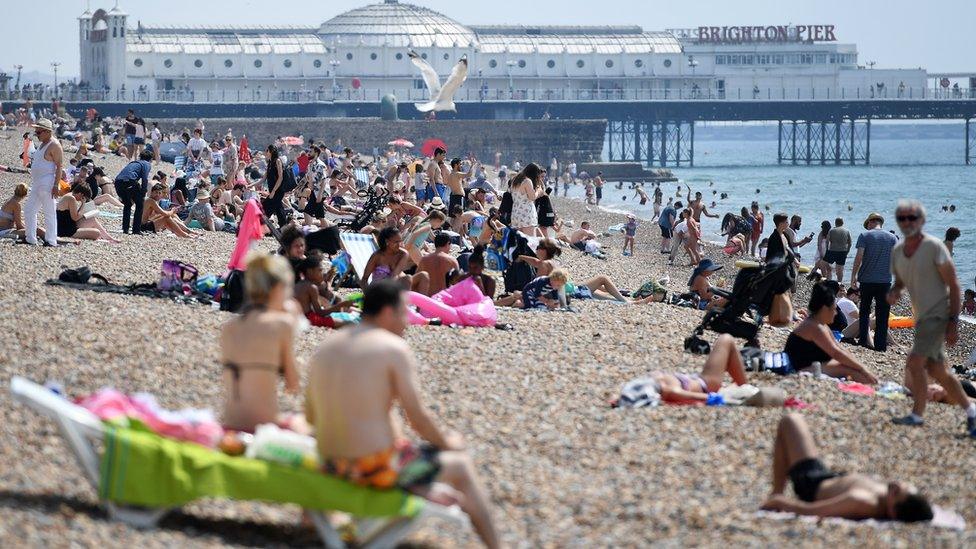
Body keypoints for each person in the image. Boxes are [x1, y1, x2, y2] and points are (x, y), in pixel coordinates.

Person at [304, 281, 503, 548]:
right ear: (387, 313)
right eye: (403, 313)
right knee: (460, 466)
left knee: (402, 443)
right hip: (369, 468)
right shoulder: (391, 348)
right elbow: (418, 419)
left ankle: (418, 487)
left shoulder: (327, 348)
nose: (407, 321)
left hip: (330, 463)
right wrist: (447, 443)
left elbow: (310, 416)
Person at [886, 200, 975, 435]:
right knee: (938, 371)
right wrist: (895, 291)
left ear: (921, 221)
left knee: (914, 362)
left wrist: (954, 322)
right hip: (922, 316)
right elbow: (903, 278)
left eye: (912, 218)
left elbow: (954, 285)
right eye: (902, 219)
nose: (907, 223)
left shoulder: (934, 247)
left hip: (938, 313)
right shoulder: (899, 251)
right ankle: (971, 412)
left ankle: (917, 415)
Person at [760, 414, 933, 522]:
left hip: (811, 483)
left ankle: (776, 492)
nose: (894, 485)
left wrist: (782, 503)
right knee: (792, 423)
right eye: (901, 485)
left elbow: (813, 511)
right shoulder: (885, 499)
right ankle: (777, 492)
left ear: (893, 512)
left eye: (896, 492)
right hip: (827, 477)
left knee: (790, 420)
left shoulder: (863, 502)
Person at [221, 253, 303, 434]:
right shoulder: (282, 324)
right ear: (278, 288)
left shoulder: (229, 327)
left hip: (229, 423)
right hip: (262, 424)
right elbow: (293, 384)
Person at [782, 282, 878, 384]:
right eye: (834, 309)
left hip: (813, 363)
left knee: (851, 366)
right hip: (799, 368)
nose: (836, 313)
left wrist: (860, 366)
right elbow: (836, 353)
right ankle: (875, 387)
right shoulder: (815, 327)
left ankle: (874, 384)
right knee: (848, 369)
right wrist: (863, 369)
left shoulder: (820, 324)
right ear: (824, 309)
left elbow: (839, 348)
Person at [850, 212, 897, 352]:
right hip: (885, 281)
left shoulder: (865, 236)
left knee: (864, 310)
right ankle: (880, 345)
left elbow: (859, 257)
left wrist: (853, 276)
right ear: (881, 223)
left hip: (867, 280)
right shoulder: (893, 238)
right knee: (883, 313)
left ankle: (864, 341)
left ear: (870, 223)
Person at [24, 118, 63, 247]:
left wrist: (56, 185)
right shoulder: (42, 143)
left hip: (47, 182)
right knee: (29, 210)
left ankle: (51, 240)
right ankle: (30, 238)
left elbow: (59, 166)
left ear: (47, 131)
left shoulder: (55, 145)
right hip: (37, 182)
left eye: (39, 132)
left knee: (49, 212)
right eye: (36, 132)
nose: (37, 134)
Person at [362, 227, 429, 293]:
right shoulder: (377, 256)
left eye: (401, 241)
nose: (400, 245)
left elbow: (394, 275)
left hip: (393, 285)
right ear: (387, 242)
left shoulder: (403, 254)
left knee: (423, 275)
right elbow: (364, 279)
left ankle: (420, 303)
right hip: (378, 289)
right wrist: (368, 296)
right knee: (407, 279)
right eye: (396, 242)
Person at [294, 254, 352, 329]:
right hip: (309, 318)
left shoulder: (301, 283)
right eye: (320, 270)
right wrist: (340, 305)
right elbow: (320, 313)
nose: (322, 273)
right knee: (348, 323)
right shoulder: (312, 287)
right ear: (310, 271)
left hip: (299, 316)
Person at [55, 185, 120, 243]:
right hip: (66, 231)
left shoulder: (69, 196)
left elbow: (74, 216)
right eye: (82, 198)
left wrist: (83, 208)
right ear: (80, 194)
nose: (80, 200)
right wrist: (83, 204)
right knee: (96, 233)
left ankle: (109, 238)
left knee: (92, 219)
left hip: (67, 226)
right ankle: (106, 238)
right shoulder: (71, 198)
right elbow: (75, 218)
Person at [114, 151, 153, 235]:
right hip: (130, 181)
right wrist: (143, 191)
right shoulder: (146, 164)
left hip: (118, 182)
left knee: (127, 204)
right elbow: (145, 178)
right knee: (140, 205)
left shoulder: (134, 162)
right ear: (150, 159)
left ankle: (125, 229)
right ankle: (136, 230)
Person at [509, 163, 543, 236]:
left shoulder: (515, 180)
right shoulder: (527, 181)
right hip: (526, 214)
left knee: (519, 241)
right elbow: (532, 197)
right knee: (530, 241)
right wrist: (538, 191)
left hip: (516, 213)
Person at [260, 144, 286, 226]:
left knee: (266, 207)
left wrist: (274, 191)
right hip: (273, 191)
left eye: (267, 150)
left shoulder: (277, 161)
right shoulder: (270, 163)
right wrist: (249, 185)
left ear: (271, 151)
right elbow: (263, 179)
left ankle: (260, 224)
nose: (265, 152)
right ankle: (284, 228)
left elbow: (280, 177)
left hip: (278, 190)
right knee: (278, 208)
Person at [824, 217, 852, 282]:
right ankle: (839, 283)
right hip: (842, 252)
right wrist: (847, 252)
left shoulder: (831, 230)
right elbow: (850, 243)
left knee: (825, 264)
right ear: (842, 223)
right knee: (840, 269)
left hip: (832, 251)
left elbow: (827, 241)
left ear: (835, 223)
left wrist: (827, 251)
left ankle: (828, 279)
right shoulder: (847, 231)